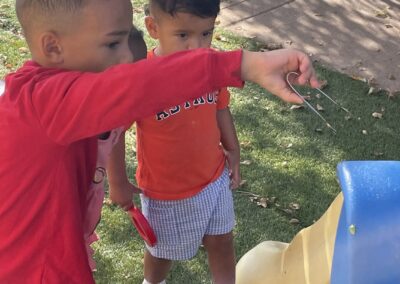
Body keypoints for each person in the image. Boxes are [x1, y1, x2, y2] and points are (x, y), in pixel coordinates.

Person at [0, 0, 319, 283]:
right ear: (53, 47)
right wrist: (244, 64)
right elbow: (140, 86)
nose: (127, 57)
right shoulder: (42, 102)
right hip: (35, 270)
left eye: (126, 38)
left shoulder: (43, 98)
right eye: (113, 44)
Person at [107, 1, 241, 283]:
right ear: (154, 28)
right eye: (183, 35)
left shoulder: (211, 64)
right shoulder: (143, 78)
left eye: (206, 33)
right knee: (161, 252)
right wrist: (117, 181)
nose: (198, 47)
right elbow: (114, 132)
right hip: (166, 192)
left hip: (214, 178)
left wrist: (233, 150)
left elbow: (221, 107)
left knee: (222, 240)